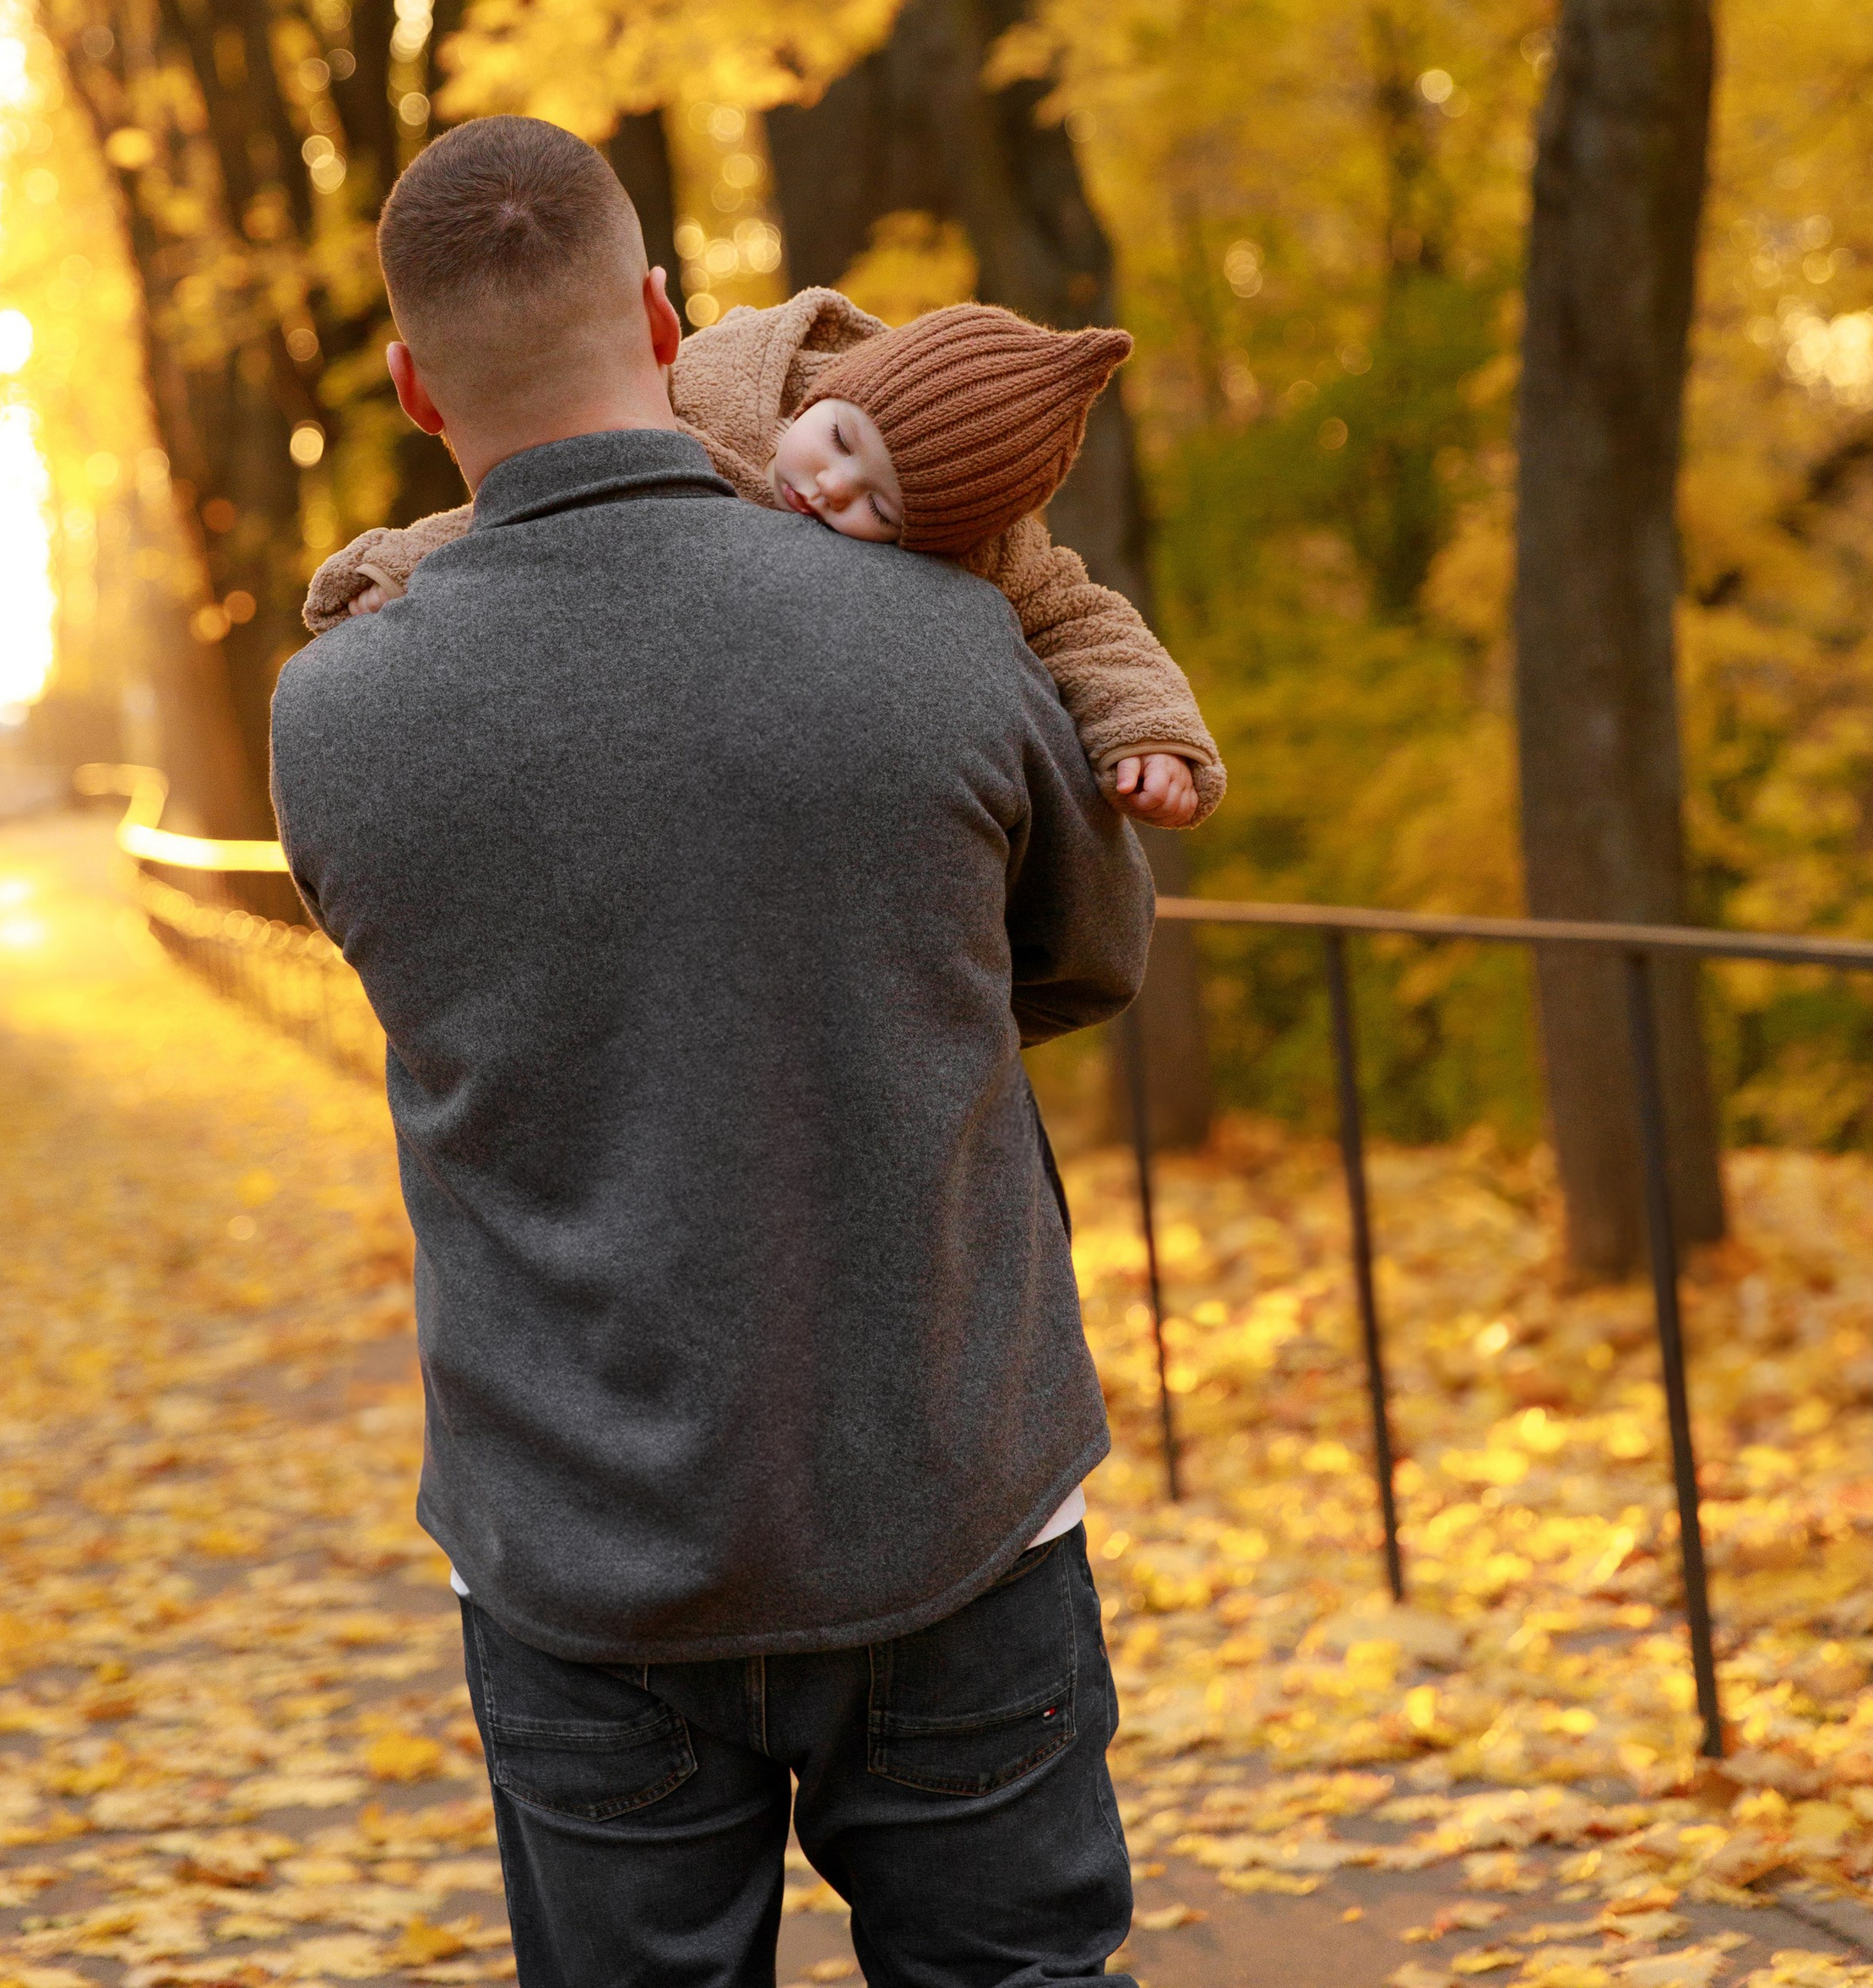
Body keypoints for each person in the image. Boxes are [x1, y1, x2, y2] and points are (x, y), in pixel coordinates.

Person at [269, 114, 1158, 1988]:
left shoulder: (332, 710)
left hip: (577, 1546)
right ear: (663, 317)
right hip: (952, 1487)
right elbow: (1083, 957)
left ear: (413, 386)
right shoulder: (939, 634)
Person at [304, 274, 1225, 836]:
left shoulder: (985, 549)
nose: (831, 491)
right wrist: (399, 564)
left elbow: (1083, 620)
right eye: (840, 446)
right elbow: (539, 502)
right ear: (837, 391)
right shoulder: (698, 404)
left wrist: (1149, 734)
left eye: (880, 509)